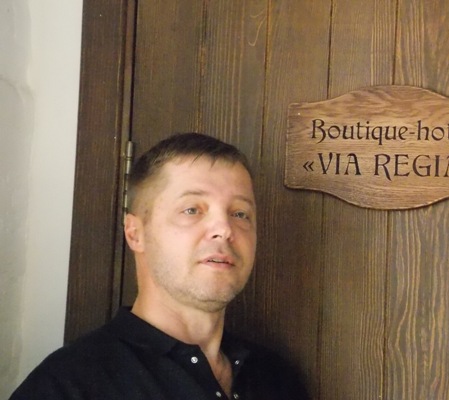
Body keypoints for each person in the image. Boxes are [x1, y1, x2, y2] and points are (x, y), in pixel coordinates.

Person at [10, 133, 309, 400]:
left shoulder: (277, 379)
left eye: (240, 213)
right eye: (192, 209)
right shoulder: (67, 386)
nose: (224, 228)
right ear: (135, 234)